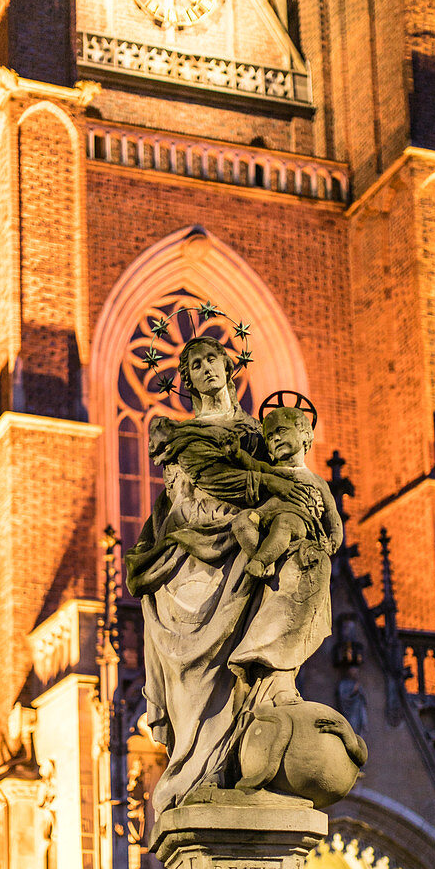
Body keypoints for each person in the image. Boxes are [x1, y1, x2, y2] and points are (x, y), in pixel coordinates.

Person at [126, 337, 340, 815]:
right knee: (197, 673)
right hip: (194, 549)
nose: (206, 371)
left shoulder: (258, 435)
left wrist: (299, 500)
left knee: (304, 561)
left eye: (212, 361)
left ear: (229, 368)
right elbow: (216, 483)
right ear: (186, 379)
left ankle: (272, 688)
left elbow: (290, 481)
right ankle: (197, 764)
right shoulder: (183, 437)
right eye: (195, 365)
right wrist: (277, 486)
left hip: (249, 540)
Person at [230, 406, 342, 578]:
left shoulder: (316, 480)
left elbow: (331, 513)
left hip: (300, 520)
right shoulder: (272, 471)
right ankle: (267, 558)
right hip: (265, 515)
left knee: (284, 523)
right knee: (242, 521)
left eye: (281, 430)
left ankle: (261, 561)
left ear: (304, 433)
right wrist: (237, 454)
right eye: (269, 436)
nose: (275, 438)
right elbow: (254, 465)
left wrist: (334, 539)